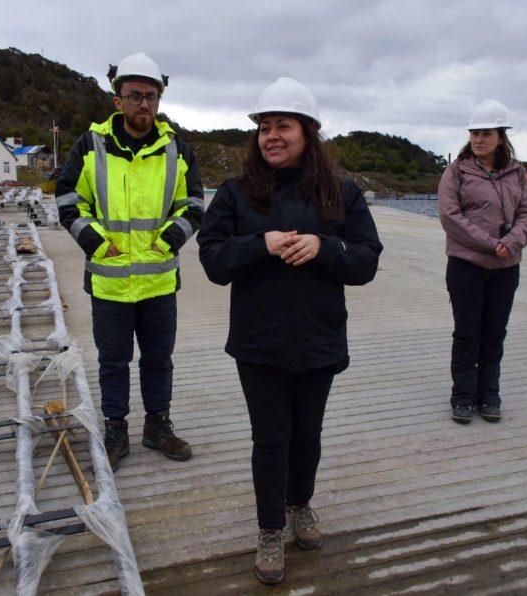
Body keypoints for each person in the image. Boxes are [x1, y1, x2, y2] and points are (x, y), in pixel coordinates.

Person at [197, 77, 382, 585]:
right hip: (259, 342)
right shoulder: (236, 195)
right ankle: (270, 529)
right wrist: (263, 242)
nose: (271, 136)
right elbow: (212, 260)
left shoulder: (341, 194)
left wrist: (326, 248)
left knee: (308, 435)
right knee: (271, 438)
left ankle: (301, 504)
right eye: (263, 127)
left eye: (283, 126)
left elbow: (366, 260)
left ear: (308, 132)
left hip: (320, 336)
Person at [55, 52, 204, 470]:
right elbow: (69, 201)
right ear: (117, 100)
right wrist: (99, 245)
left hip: (158, 281)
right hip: (109, 281)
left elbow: (193, 203)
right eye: (135, 95)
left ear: (159, 100)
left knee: (159, 358)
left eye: (151, 96)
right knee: (113, 361)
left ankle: (157, 425)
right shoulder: (90, 146)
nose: (144, 103)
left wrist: (171, 240)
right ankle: (116, 427)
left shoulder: (177, 149)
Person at [437, 99, 527, 425]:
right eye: (474, 133)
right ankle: (463, 396)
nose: (478, 139)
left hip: (506, 267)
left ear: (501, 136)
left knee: (494, 332)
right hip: (466, 265)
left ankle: (489, 394)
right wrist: (490, 243)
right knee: (468, 332)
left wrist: (512, 242)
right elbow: (450, 217)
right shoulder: (456, 172)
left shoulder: (518, 174)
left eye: (486, 133)